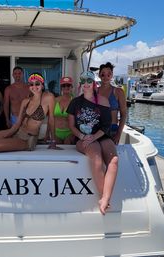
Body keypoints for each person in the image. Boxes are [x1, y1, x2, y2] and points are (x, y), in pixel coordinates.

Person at [67, 71, 118, 215]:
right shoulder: (75, 102)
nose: (86, 84)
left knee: (113, 160)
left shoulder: (103, 100)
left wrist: (94, 136)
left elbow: (107, 125)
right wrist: (83, 136)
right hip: (83, 138)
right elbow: (71, 126)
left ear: (94, 83)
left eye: (89, 81)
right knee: (96, 157)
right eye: (83, 81)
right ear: (80, 84)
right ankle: (104, 198)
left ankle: (106, 197)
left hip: (100, 135)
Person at [0, 72, 57, 152]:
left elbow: (51, 120)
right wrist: (6, 134)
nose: (34, 86)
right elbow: (17, 123)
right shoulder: (26, 101)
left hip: (27, 139)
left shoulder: (48, 97)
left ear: (42, 85)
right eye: (31, 84)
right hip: (17, 132)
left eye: (37, 84)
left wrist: (53, 141)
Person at [97, 62, 127, 144]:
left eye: (109, 74)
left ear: (112, 75)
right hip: (96, 129)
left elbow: (123, 114)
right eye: (103, 74)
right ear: (99, 75)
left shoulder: (118, 92)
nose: (106, 77)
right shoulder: (95, 91)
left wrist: (118, 134)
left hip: (112, 130)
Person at [53, 76, 75, 144]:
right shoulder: (55, 100)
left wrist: (74, 134)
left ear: (72, 87)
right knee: (57, 153)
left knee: (67, 152)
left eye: (68, 85)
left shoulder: (75, 101)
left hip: (69, 133)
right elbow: (51, 118)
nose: (66, 87)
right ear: (61, 88)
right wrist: (47, 134)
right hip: (56, 132)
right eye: (63, 85)